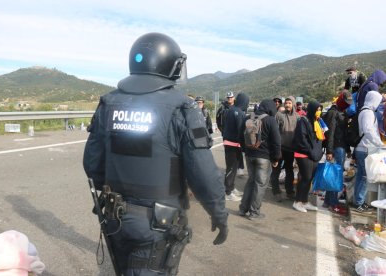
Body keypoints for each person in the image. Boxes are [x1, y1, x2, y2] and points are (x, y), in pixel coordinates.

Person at [83, 32, 228, 276]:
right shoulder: (182, 106)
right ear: (169, 64)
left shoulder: (109, 103)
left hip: (114, 217)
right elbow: (203, 174)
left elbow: (92, 165)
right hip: (158, 225)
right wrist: (219, 213)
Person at [239, 99, 281, 219]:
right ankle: (254, 212)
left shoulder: (248, 117)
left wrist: (245, 150)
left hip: (249, 155)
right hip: (264, 157)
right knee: (260, 184)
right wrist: (276, 157)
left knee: (251, 181)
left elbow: (240, 136)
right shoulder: (270, 120)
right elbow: (276, 142)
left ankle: (243, 209)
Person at [354, 91, 385, 212]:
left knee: (361, 176)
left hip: (363, 147)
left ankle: (359, 201)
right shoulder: (368, 112)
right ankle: (359, 202)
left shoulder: (365, 111)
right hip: (365, 148)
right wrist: (379, 143)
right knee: (364, 176)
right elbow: (368, 130)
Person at [292, 101, 324, 213]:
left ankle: (304, 201)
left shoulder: (317, 122)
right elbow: (302, 139)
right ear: (311, 109)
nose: (319, 112)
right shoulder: (303, 121)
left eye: (320, 109)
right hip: (303, 153)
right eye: (317, 109)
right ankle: (297, 202)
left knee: (309, 178)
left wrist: (318, 153)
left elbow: (319, 139)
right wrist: (311, 152)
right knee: (305, 178)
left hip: (313, 155)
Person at [323, 90, 352, 214]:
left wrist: (348, 149)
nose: (348, 105)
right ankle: (333, 203)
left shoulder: (340, 112)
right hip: (336, 148)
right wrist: (329, 151)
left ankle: (329, 201)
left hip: (340, 147)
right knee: (335, 175)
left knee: (334, 175)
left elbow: (343, 134)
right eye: (346, 103)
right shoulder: (334, 113)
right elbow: (331, 134)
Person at [270, 96, 299, 201]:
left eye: (289, 103)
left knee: (289, 171)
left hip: (291, 150)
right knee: (276, 170)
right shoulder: (279, 115)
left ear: (293, 104)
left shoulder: (297, 117)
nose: (287, 105)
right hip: (279, 148)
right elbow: (274, 132)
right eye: (286, 103)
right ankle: (276, 192)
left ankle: (289, 192)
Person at [222, 93, 249, 201]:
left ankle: (231, 188)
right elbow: (240, 131)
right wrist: (245, 146)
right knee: (231, 168)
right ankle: (228, 192)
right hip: (232, 144)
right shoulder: (237, 112)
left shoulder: (232, 109)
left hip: (232, 143)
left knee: (233, 168)